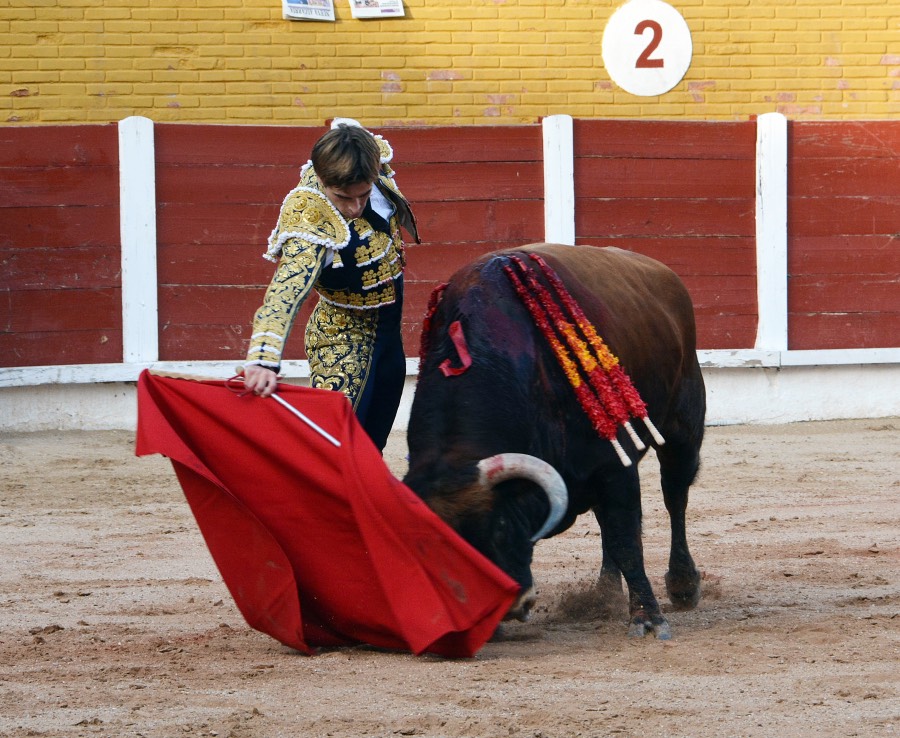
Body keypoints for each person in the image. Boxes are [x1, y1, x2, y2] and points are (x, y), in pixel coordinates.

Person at [242, 118, 419, 452]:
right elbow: (286, 290)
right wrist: (263, 360)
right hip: (342, 342)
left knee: (370, 447)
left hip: (389, 337)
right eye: (342, 198)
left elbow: (350, 134)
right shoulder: (310, 217)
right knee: (335, 449)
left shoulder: (370, 163)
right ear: (322, 180)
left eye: (363, 196)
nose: (354, 208)